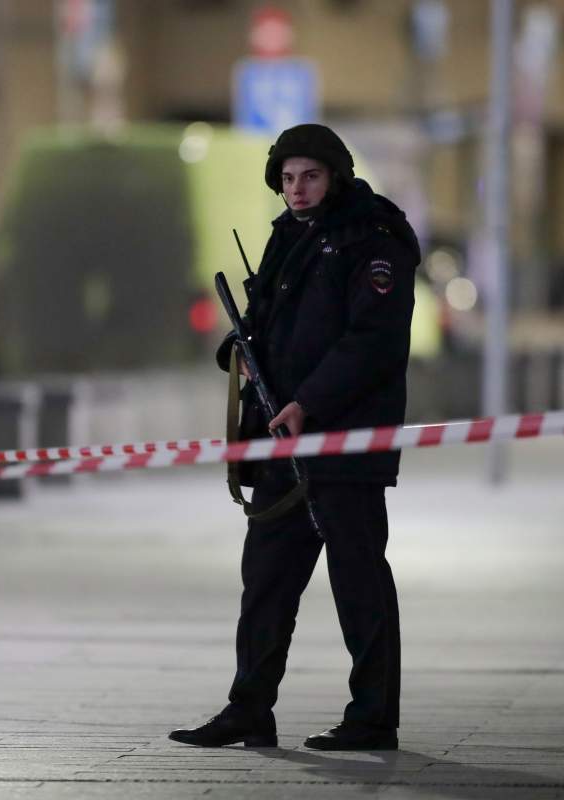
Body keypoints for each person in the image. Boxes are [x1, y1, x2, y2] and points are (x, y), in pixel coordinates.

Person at [169, 124, 420, 751]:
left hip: (344, 443)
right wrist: (241, 350)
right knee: (267, 578)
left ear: (335, 174)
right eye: (286, 178)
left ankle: (372, 719)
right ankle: (249, 708)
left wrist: (311, 402)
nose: (296, 189)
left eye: (308, 176)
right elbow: (265, 321)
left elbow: (373, 342)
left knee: (357, 577)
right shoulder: (291, 234)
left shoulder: (374, 237)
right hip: (284, 436)